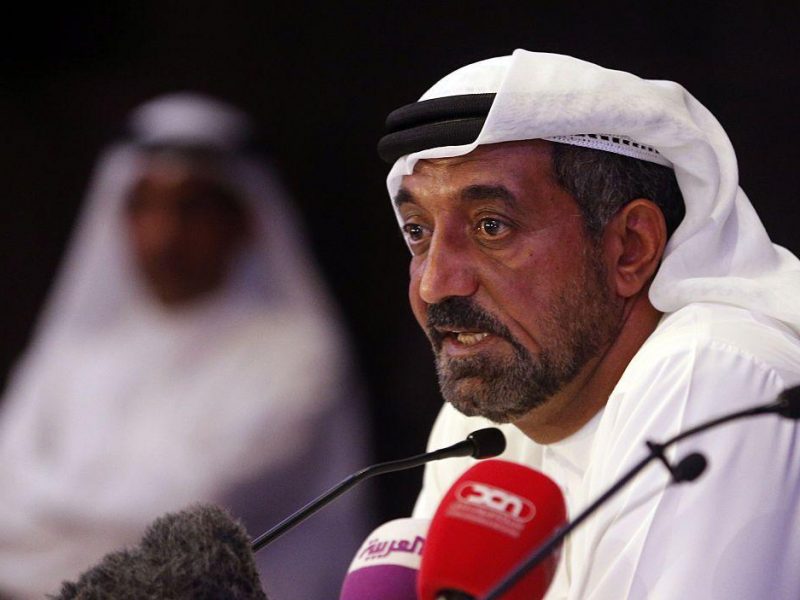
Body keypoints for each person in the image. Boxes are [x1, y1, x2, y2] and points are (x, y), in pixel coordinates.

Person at [377, 51, 800, 598]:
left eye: (490, 226)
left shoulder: (715, 374)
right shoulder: (482, 428)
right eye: (417, 232)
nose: (435, 284)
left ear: (630, 248)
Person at [0, 94, 371, 599]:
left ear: (241, 220)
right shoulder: (77, 351)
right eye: (144, 206)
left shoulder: (297, 354)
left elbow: (190, 517)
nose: (164, 235)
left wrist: (53, 522)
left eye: (191, 208)